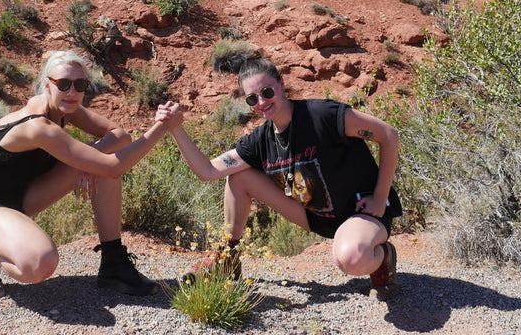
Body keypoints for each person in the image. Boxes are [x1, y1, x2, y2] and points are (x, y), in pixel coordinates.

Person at [0, 50, 183, 299]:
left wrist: (90, 163)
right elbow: (114, 166)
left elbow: (120, 135)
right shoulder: (37, 126)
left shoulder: (66, 108)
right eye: (63, 84)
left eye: (80, 84)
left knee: (101, 165)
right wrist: (162, 127)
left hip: (21, 197)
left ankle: (114, 264)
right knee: (41, 263)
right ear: (47, 85)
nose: (72, 92)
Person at [169, 57, 402, 299]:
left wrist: (379, 197)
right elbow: (208, 171)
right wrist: (175, 127)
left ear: (281, 85)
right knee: (239, 177)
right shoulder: (260, 141)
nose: (261, 102)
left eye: (267, 91)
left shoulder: (322, 115)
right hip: (315, 217)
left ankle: (383, 257)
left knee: (351, 258)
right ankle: (227, 259)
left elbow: (389, 135)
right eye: (252, 98)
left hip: (361, 212)